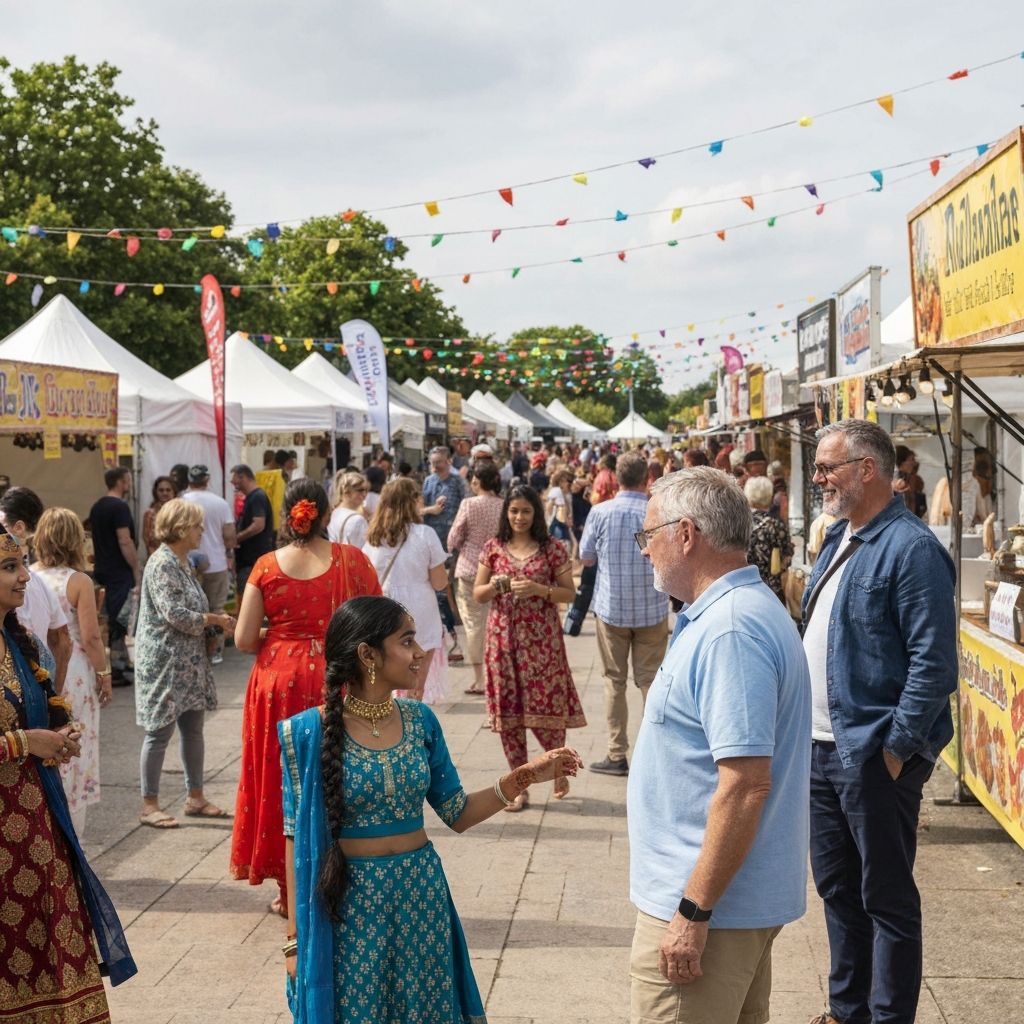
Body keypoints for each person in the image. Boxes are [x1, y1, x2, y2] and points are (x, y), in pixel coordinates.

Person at [278, 596, 582, 1022]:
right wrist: (294, 941)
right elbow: (296, 839)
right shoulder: (307, 733)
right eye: (406, 641)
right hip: (351, 905)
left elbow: (457, 812)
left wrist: (526, 774)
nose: (420, 652)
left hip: (421, 896)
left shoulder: (420, 720)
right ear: (368, 654)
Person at [628, 467, 811, 1024]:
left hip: (708, 907)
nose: (645, 553)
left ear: (685, 535)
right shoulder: (730, 615)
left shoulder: (731, 629)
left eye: (648, 537)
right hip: (721, 904)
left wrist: (692, 911)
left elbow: (746, 783)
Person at [802, 420, 957, 1024]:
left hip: (870, 752)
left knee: (885, 897)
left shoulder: (913, 549)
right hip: (823, 748)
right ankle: (848, 1011)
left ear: (868, 469)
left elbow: (935, 664)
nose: (817, 479)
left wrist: (895, 750)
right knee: (838, 891)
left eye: (826, 468)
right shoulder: (840, 535)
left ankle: (887, 1017)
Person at [0, 522, 137, 1017]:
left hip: (39, 831)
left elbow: (45, 712)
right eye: (10, 567)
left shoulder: (23, 645)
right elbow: (21, 736)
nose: (23, 578)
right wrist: (24, 742)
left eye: (21, 565)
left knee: (51, 946)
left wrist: (61, 738)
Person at [230, 481, 380, 917]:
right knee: (340, 772)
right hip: (337, 676)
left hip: (277, 680)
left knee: (281, 779)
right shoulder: (353, 562)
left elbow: (242, 639)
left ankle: (287, 888)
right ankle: (344, 872)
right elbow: (376, 620)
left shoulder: (265, 566)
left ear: (288, 514)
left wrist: (281, 636)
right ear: (326, 512)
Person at [474, 484, 585, 809]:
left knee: (548, 710)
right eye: (513, 510)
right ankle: (518, 786)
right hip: (502, 643)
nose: (519, 517)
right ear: (506, 513)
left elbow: (569, 594)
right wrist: (494, 586)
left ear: (536, 512)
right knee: (509, 718)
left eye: (525, 510)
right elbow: (477, 594)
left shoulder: (552, 548)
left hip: (542, 647)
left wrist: (539, 589)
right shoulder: (494, 547)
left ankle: (557, 767)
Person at [134, 499, 236, 829]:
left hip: (187, 661)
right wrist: (213, 619)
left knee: (193, 729)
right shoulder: (162, 563)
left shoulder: (182, 562)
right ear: (180, 527)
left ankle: (195, 796)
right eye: (197, 525)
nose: (202, 531)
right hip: (166, 662)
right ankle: (149, 804)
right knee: (159, 731)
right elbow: (173, 614)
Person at [580, 451, 669, 777]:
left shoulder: (600, 512)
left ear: (616, 477)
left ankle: (617, 753)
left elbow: (585, 557)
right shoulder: (656, 511)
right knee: (651, 682)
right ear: (647, 477)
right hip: (651, 608)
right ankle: (654, 752)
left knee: (613, 682)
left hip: (612, 609)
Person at [32, 507, 113, 837]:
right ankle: (73, 833)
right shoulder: (78, 580)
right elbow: (91, 636)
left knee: (44, 743)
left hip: (37, 668)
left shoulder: (29, 574)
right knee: (76, 746)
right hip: (76, 670)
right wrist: (104, 672)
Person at [364, 478, 449, 703]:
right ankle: (411, 728)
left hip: (383, 611)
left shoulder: (372, 537)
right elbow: (440, 582)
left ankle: (386, 729)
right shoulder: (425, 534)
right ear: (411, 502)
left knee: (385, 679)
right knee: (415, 686)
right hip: (420, 612)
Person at [0, 485, 71, 690]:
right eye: (11, 567)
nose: (24, 577)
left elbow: (61, 641)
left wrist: (51, 701)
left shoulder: (37, 582)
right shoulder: (39, 582)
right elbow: (62, 642)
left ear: (19, 527)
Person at [447, 461, 504, 695]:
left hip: (470, 568)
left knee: (473, 626)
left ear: (478, 481)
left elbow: (454, 538)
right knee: (495, 624)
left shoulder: (468, 504)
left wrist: (459, 546)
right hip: (498, 569)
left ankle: (480, 678)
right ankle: (496, 673)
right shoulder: (504, 505)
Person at [88, 467, 140, 686]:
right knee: (120, 619)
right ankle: (116, 668)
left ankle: (120, 662)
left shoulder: (97, 506)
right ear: (120, 482)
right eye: (127, 481)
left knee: (112, 618)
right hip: (119, 571)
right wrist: (136, 568)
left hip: (103, 568)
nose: (129, 485)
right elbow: (124, 540)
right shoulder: (119, 507)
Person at [181, 465, 237, 664]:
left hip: (187, 564)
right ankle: (216, 651)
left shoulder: (182, 502)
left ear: (189, 480)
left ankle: (195, 650)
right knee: (217, 609)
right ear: (207, 480)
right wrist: (228, 554)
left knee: (191, 610)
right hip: (216, 563)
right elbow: (230, 536)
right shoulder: (220, 503)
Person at [421, 446, 467, 662]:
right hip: (433, 541)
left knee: (450, 583)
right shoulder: (428, 482)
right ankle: (449, 622)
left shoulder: (457, 482)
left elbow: (465, 507)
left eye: (438, 462)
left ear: (448, 461)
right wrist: (431, 509)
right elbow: (419, 509)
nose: (435, 466)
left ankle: (454, 617)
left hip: (453, 541)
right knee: (440, 585)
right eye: (432, 462)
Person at [744, 476, 794, 603]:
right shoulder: (776, 525)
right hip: (772, 591)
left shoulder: (741, 524)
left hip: (744, 588)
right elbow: (787, 558)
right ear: (770, 496)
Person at [231, 464, 276, 592]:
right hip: (251, 561)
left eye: (234, 479)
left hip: (253, 561)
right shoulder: (253, 497)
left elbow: (258, 525)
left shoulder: (257, 497)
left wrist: (237, 538)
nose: (232, 483)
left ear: (243, 477)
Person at [327, 470, 370, 548]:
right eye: (360, 490)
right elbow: (362, 550)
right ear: (347, 492)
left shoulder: (334, 512)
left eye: (366, 490)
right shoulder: (358, 520)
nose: (364, 494)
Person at [142, 475, 176, 556]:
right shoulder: (150, 514)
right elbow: (149, 543)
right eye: (161, 490)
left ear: (174, 492)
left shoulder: (181, 512)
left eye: (168, 490)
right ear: (156, 493)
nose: (165, 493)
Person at [893, 445, 927, 520]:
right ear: (902, 462)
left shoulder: (907, 477)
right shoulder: (895, 479)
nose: (913, 463)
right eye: (911, 459)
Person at [545, 468, 574, 543]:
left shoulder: (570, 495)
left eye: (564, 481)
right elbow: (549, 511)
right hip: (558, 527)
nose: (562, 484)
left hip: (570, 526)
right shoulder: (555, 493)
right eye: (560, 481)